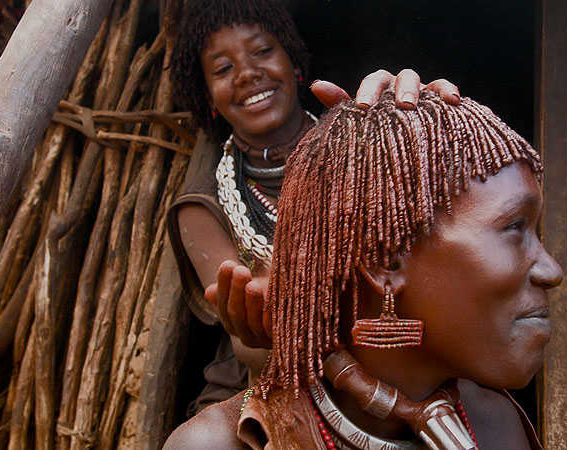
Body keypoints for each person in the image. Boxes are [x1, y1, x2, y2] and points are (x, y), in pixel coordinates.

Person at [164, 91, 564, 449]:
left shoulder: (494, 426)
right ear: (385, 261)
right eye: (514, 228)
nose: (552, 270)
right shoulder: (224, 444)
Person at [166, 0, 462, 414]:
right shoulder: (202, 207)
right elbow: (251, 350)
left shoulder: (363, 141)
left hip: (397, 362)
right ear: (207, 95)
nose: (248, 73)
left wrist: (420, 123)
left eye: (263, 51)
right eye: (222, 69)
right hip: (267, 388)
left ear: (295, 63)